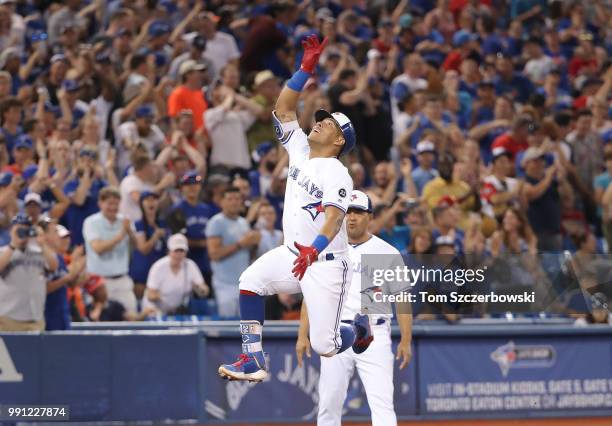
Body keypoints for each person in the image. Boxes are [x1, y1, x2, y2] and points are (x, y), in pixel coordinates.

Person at [218, 35, 369, 383]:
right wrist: (304, 69)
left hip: (326, 264)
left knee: (325, 346)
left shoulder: (338, 172)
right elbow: (284, 108)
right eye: (320, 118)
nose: (318, 121)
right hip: (292, 253)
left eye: (328, 122)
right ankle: (253, 360)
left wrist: (313, 251)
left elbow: (333, 220)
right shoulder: (299, 149)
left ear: (339, 140)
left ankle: (358, 328)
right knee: (250, 282)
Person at [296, 190, 413, 426]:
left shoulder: (386, 252)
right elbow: (312, 295)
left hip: (374, 333)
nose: (351, 217)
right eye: (347, 212)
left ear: (369, 216)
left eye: (358, 212)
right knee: (329, 404)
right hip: (335, 333)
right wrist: (302, 334)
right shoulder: (327, 251)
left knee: (382, 403)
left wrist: (406, 340)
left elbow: (402, 300)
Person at [206, 186, 260, 318]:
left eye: (237, 199)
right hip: (224, 284)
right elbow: (214, 254)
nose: (234, 202)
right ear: (222, 202)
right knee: (227, 325)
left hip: (243, 283)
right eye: (230, 199)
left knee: (246, 323)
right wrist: (241, 244)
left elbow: (249, 254)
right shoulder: (216, 222)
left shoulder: (243, 223)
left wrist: (254, 244)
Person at [82, 186, 137, 314]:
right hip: (98, 282)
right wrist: (122, 233)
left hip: (122, 280)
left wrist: (130, 232)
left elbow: (138, 247)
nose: (113, 208)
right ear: (100, 203)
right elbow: (98, 248)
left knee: (131, 319)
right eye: (109, 203)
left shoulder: (125, 221)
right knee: (97, 321)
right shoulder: (91, 222)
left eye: (116, 204)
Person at [0, 213, 58, 331]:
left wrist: (42, 244)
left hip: (35, 317)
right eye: (19, 228)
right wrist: (13, 244)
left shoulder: (39, 251)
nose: (23, 232)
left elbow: (53, 266)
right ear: (11, 230)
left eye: (26, 228)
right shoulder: (3, 252)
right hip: (9, 317)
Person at [143, 233, 209, 315]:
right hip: (156, 308)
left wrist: (200, 289)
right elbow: (150, 295)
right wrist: (162, 298)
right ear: (169, 251)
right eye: (176, 251)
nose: (179, 254)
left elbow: (204, 289)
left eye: (181, 251)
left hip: (176, 309)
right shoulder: (158, 267)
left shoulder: (191, 266)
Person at [129, 191, 169, 303]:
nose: (151, 202)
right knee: (140, 303)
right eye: (147, 199)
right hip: (142, 272)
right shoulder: (138, 224)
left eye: (154, 199)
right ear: (142, 203)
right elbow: (143, 249)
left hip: (160, 272)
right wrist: (155, 236)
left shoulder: (163, 224)